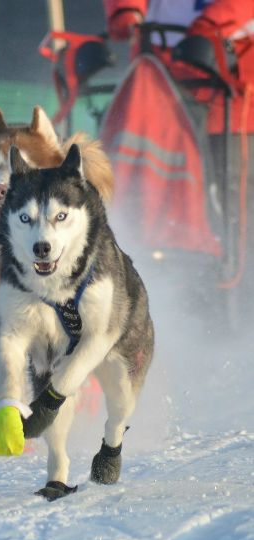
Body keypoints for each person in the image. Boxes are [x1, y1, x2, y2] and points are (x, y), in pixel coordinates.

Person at [105, 0, 254, 317]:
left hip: (231, 91)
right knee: (154, 206)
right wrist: (126, 11)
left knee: (234, 221)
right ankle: (171, 314)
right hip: (158, 86)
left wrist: (209, 28)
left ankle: (236, 321)